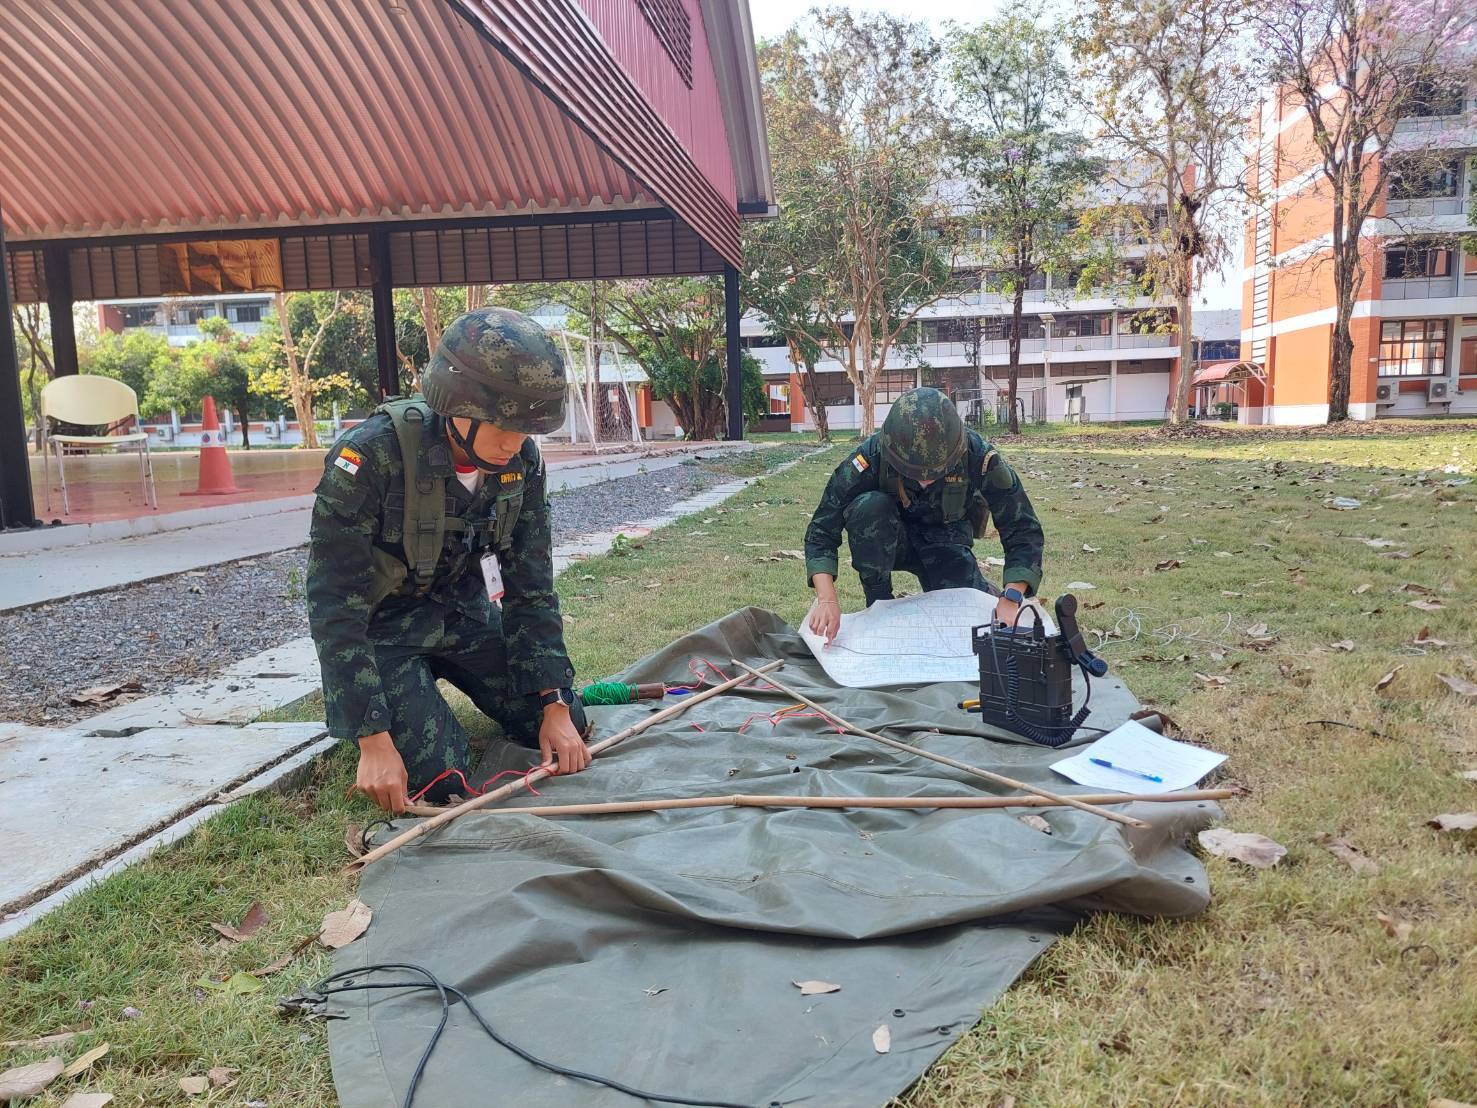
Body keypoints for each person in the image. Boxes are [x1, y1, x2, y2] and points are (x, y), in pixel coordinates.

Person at [306, 308, 588, 814]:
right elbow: (334, 604)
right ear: (458, 403)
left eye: (525, 430)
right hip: (384, 633)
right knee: (442, 778)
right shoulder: (370, 457)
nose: (514, 443)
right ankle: (395, 712)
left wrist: (555, 701)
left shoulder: (521, 461)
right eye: (502, 426)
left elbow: (531, 587)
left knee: (569, 726)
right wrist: (372, 738)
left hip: (463, 615)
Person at [804, 387, 1045, 644]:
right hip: (890, 541)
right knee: (870, 507)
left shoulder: (979, 456)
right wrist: (827, 600)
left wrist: (1012, 597)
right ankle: (878, 601)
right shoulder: (871, 456)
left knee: (968, 617)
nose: (926, 480)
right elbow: (821, 531)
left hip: (946, 542)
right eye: (914, 472)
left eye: (937, 471)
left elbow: (1022, 529)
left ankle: (984, 590)